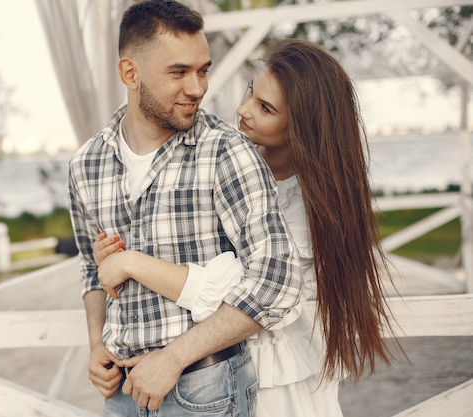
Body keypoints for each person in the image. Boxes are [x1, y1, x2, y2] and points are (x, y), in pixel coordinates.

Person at [94, 38, 402, 416]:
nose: (243, 110)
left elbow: (245, 285)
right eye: (250, 92)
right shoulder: (231, 166)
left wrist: (132, 264)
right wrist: (112, 255)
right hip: (214, 368)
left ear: (301, 127)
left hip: (271, 372)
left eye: (265, 108)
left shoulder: (308, 206)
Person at [68, 1, 302, 415]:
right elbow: (92, 268)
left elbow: (276, 280)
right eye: (178, 72)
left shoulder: (226, 151)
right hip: (121, 395)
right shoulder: (86, 164)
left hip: (205, 391)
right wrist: (95, 345)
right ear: (130, 73)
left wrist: (173, 359)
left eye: (203, 70)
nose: (197, 88)